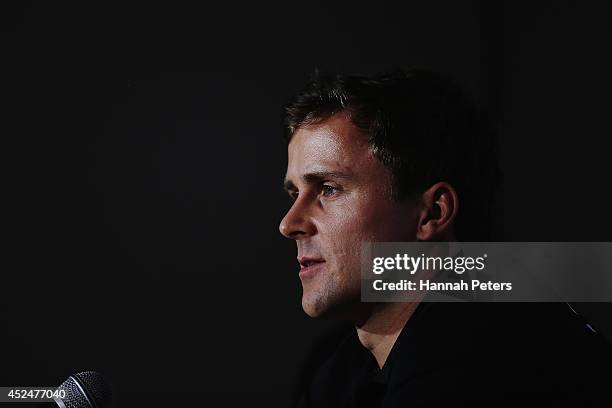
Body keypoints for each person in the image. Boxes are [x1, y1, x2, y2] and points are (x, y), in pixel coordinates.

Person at [278, 69, 611, 407]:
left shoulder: (482, 352)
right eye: (295, 193)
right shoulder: (341, 369)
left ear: (433, 214)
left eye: (329, 189)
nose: (289, 224)